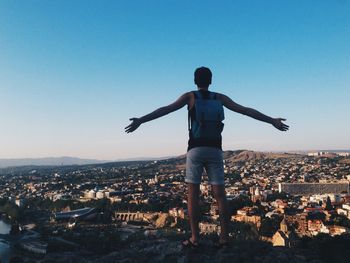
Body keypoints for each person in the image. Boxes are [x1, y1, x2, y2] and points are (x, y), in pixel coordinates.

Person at [125, 67, 289, 248]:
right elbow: (246, 110)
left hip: (195, 149)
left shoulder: (190, 96)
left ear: (195, 81)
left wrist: (141, 120)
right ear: (211, 81)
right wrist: (272, 120)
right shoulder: (220, 98)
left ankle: (195, 238)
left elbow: (165, 109)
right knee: (220, 195)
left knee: (192, 195)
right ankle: (224, 238)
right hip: (215, 150)